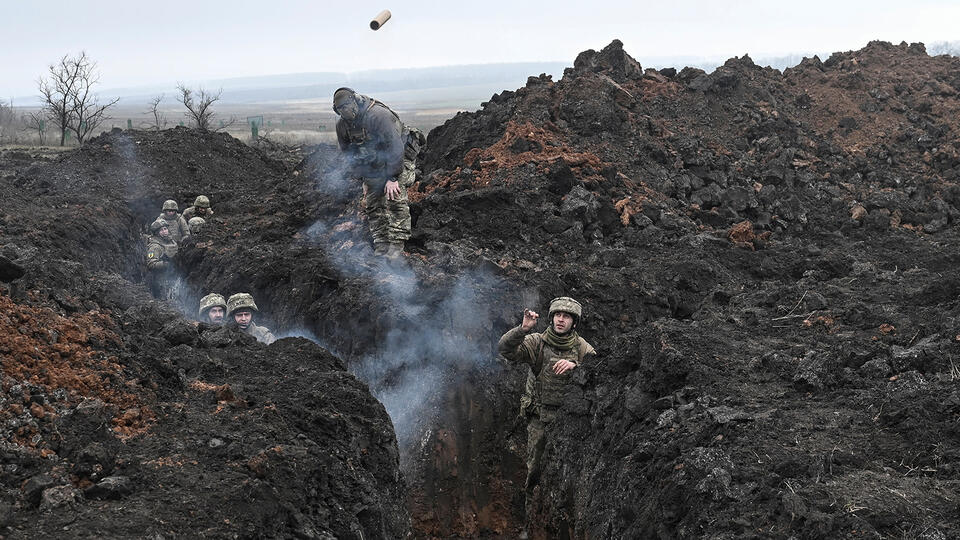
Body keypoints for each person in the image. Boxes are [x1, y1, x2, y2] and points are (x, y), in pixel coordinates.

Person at [498, 297, 595, 498]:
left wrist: (576, 366)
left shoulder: (582, 347)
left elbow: (601, 371)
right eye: (558, 315)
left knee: (567, 475)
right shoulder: (537, 343)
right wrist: (522, 330)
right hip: (540, 419)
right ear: (551, 318)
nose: (561, 320)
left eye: (566, 316)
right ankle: (531, 512)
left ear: (574, 322)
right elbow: (505, 349)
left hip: (569, 422)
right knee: (534, 471)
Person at [333, 87, 423, 258]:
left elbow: (395, 147)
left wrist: (393, 177)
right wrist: (364, 180)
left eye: (347, 106)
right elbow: (350, 155)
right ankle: (381, 245)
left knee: (394, 198)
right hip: (373, 163)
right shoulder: (342, 126)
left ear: (356, 101)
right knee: (373, 204)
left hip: (398, 157)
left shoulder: (378, 116)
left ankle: (397, 246)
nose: (345, 111)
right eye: (340, 109)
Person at [145, 219, 179, 300]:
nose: (164, 231)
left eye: (165, 229)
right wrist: (166, 264)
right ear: (156, 233)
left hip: (175, 276)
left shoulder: (172, 242)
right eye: (161, 230)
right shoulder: (155, 246)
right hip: (161, 280)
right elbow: (151, 263)